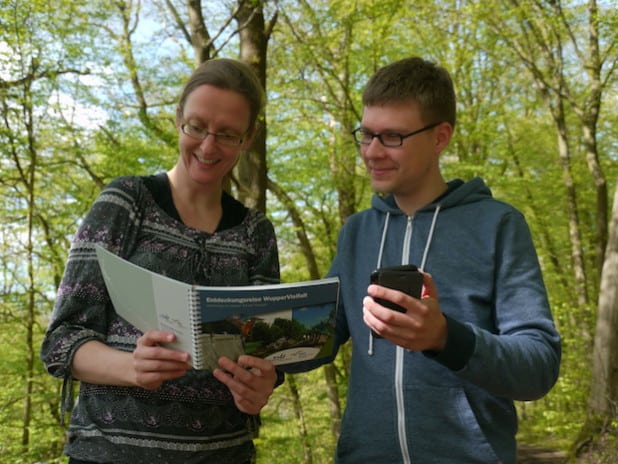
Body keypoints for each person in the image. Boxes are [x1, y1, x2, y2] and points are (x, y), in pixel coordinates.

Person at [40, 58, 282, 464]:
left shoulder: (256, 233)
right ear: (177, 119)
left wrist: (262, 386)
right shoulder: (126, 203)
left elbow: (268, 353)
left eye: (226, 134)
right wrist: (132, 366)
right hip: (108, 454)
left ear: (249, 137)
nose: (208, 146)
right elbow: (62, 341)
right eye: (196, 127)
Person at [323, 57, 561, 463]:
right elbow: (317, 336)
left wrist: (446, 338)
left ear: (440, 137)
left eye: (392, 137)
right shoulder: (357, 232)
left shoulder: (497, 225)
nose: (372, 152)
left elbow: (539, 365)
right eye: (366, 134)